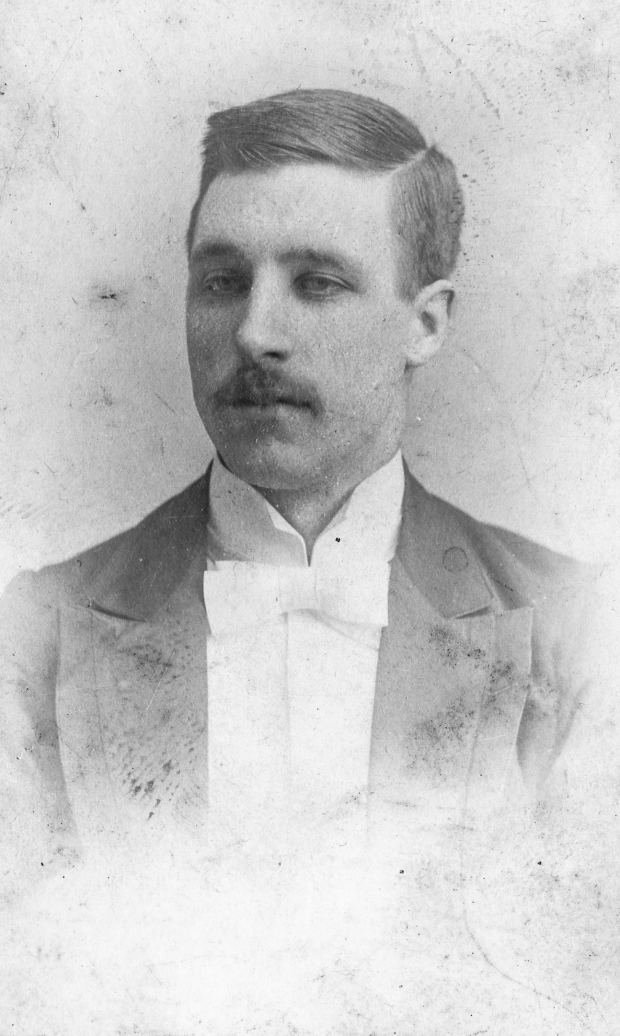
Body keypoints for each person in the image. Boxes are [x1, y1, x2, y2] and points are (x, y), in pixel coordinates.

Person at [0, 89, 605, 1031]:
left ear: (427, 322)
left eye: (317, 282)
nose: (253, 335)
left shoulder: (577, 630)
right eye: (222, 281)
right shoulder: (36, 636)